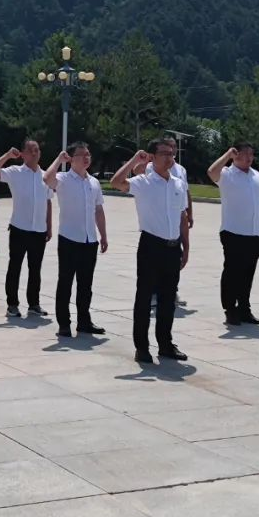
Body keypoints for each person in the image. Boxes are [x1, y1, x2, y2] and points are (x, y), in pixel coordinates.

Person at [112, 139, 190, 364]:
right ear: (152, 157)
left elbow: (182, 216)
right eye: (164, 153)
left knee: (168, 300)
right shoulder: (143, 182)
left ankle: (165, 344)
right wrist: (134, 161)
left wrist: (186, 247)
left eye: (171, 153)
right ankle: (142, 347)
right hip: (151, 246)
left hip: (173, 247)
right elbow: (116, 182)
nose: (169, 157)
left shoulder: (178, 184)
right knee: (145, 299)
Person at [43, 142, 108, 337]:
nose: (86, 158)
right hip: (69, 239)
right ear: (71, 159)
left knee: (86, 285)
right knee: (65, 283)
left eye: (88, 154)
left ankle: (84, 321)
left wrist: (103, 235)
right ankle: (64, 323)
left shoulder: (93, 182)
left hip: (89, 239)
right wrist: (58, 159)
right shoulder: (63, 179)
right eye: (81, 155)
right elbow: (47, 178)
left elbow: (98, 210)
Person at [207, 142, 259, 326]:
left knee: (248, 273)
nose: (249, 158)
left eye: (251, 154)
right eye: (244, 154)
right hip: (233, 232)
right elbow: (211, 172)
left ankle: (244, 308)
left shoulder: (256, 175)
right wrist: (227, 155)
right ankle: (230, 309)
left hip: (254, 233)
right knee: (232, 272)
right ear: (235, 155)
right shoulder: (226, 174)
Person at [0, 140, 52, 318]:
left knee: (35, 269)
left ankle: (34, 304)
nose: (35, 153)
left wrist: (49, 226)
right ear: (23, 154)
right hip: (19, 228)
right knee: (15, 267)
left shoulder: (45, 176)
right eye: (30, 150)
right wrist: (8, 155)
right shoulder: (15, 172)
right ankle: (12, 304)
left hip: (39, 230)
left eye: (37, 150)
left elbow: (48, 202)